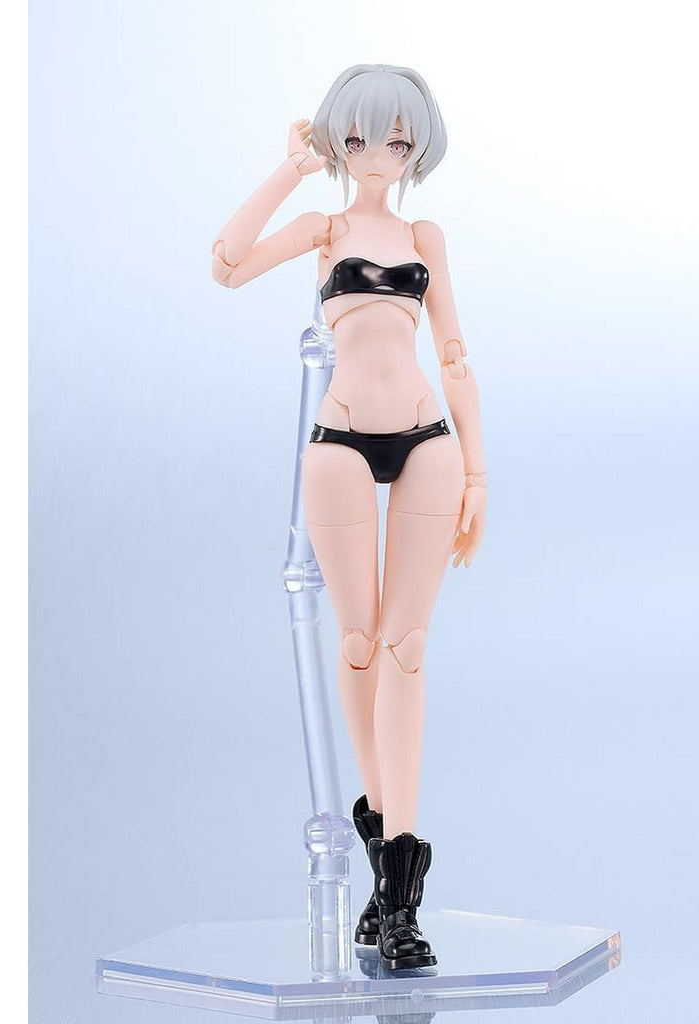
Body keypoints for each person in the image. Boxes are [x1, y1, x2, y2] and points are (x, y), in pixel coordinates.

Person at [211, 64, 486, 971]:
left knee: (408, 648)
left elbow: (454, 354)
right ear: (338, 140)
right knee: (360, 644)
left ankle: (400, 893)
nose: (378, 154)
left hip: (427, 439)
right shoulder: (324, 229)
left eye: (398, 140)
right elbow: (227, 263)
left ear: (417, 148)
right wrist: (291, 169)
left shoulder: (423, 236)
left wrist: (478, 469)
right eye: (360, 137)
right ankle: (380, 853)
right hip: (337, 442)